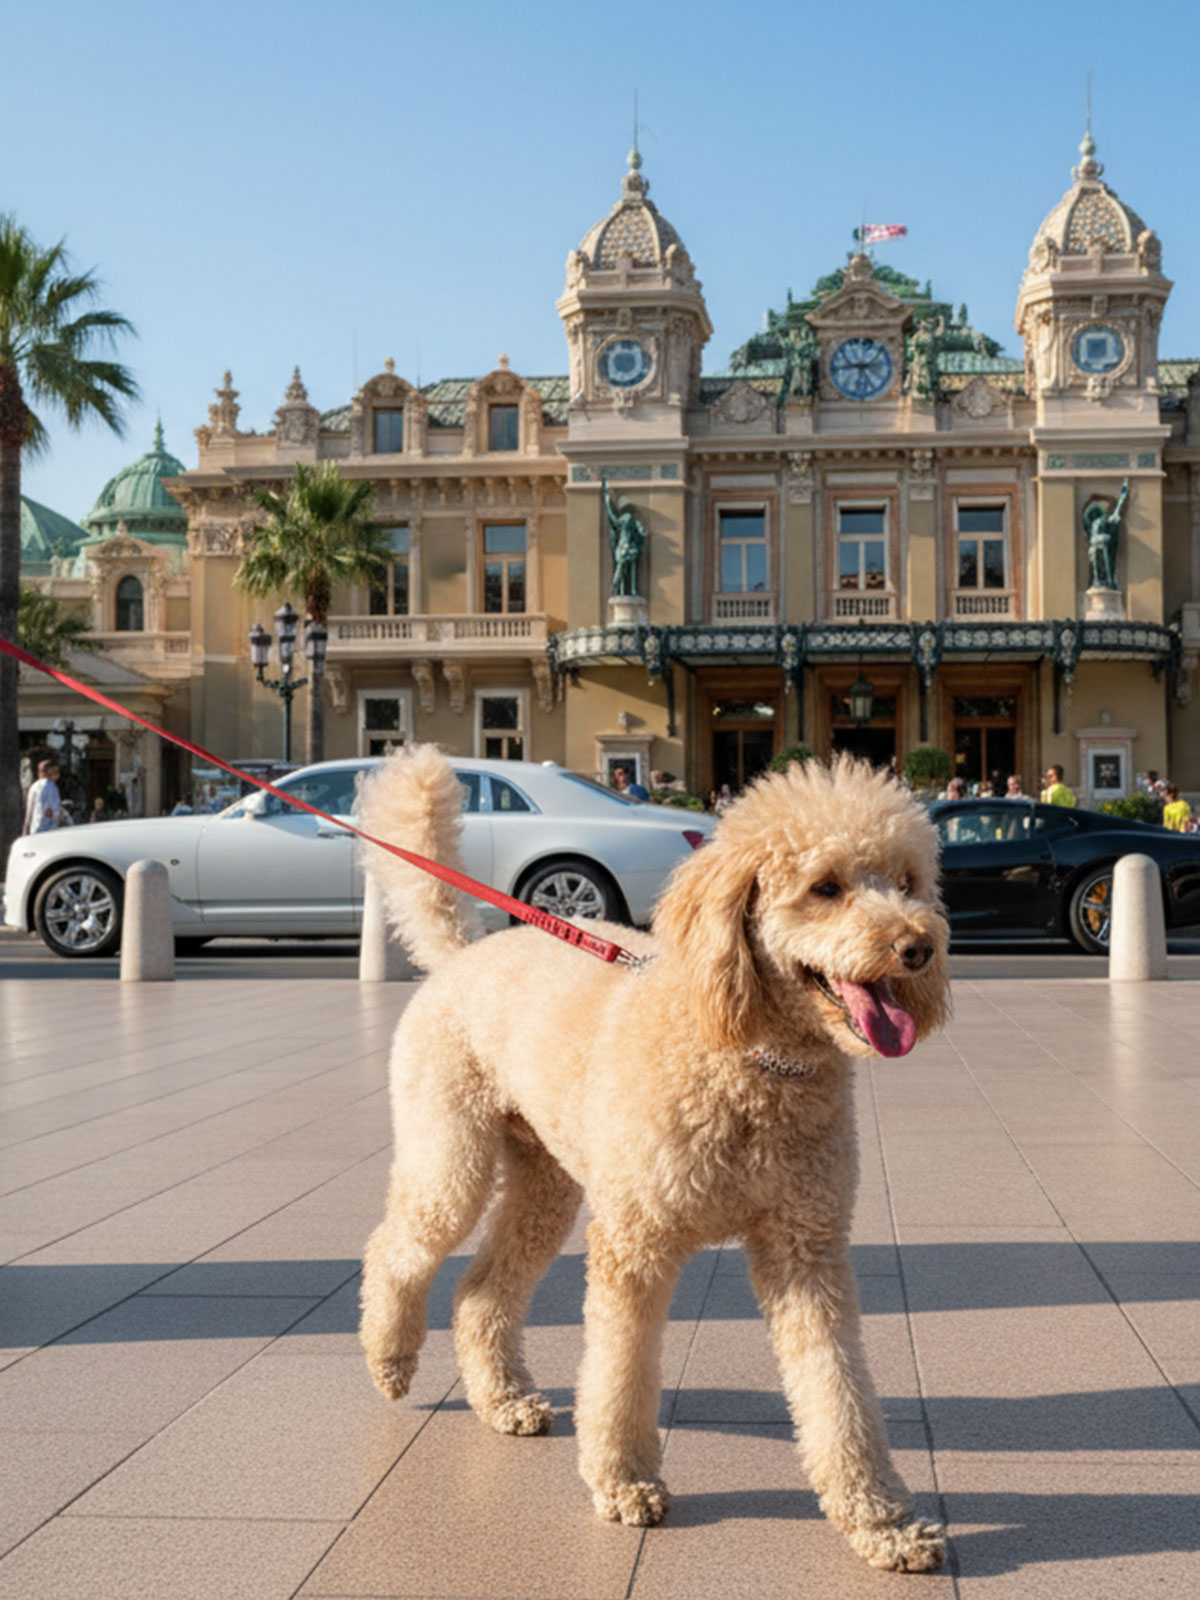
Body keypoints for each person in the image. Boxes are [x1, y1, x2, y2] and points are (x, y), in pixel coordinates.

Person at [23, 759, 66, 834]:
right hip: (49, 832)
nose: (58, 775)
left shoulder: (33, 787)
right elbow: (49, 811)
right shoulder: (51, 787)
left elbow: (29, 813)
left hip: (35, 831)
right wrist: (61, 817)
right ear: (50, 772)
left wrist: (25, 830)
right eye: (56, 772)